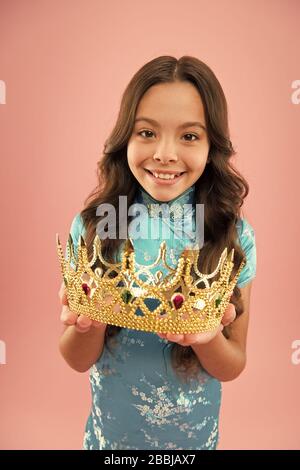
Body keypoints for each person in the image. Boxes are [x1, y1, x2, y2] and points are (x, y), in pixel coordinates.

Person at [58, 55, 257, 450]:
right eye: (147, 132)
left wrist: (206, 338)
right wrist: (89, 321)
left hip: (192, 445)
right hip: (109, 444)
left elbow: (232, 364)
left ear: (212, 144)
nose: (165, 154)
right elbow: (77, 359)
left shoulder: (231, 236)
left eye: (189, 136)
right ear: (124, 138)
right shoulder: (99, 226)